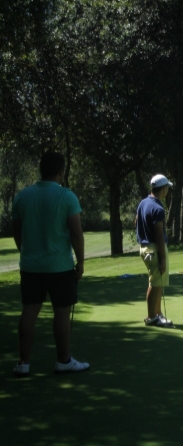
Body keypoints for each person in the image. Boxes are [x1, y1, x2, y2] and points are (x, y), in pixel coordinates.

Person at [11, 151, 89, 376]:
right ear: (60, 171)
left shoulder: (23, 196)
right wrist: (81, 263)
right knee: (61, 312)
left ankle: (23, 363)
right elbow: (76, 234)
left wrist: (26, 252)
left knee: (29, 311)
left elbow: (18, 233)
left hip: (30, 266)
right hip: (60, 266)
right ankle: (63, 360)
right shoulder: (67, 196)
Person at [136, 174, 173, 327]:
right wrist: (163, 258)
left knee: (157, 282)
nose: (168, 191)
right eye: (167, 188)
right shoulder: (158, 208)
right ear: (163, 188)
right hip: (154, 248)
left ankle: (157, 314)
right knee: (155, 283)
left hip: (144, 247)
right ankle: (152, 317)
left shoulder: (143, 202)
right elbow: (158, 235)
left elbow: (136, 221)